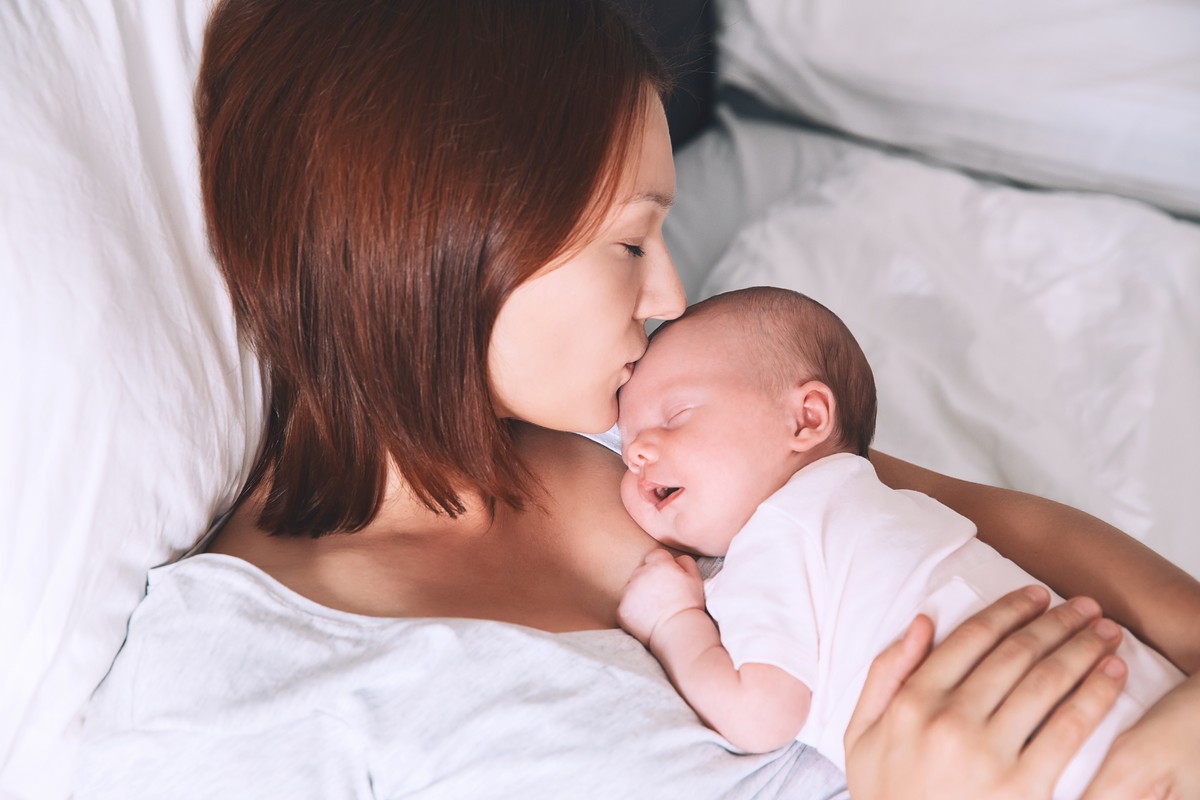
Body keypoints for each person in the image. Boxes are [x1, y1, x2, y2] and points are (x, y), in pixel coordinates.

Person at [74, 1, 1200, 798]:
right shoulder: (239, 697)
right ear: (447, 244)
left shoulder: (638, 434)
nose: (667, 295)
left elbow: (994, 525)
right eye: (629, 241)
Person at [614, 287, 1185, 798]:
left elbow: (761, 713)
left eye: (677, 415)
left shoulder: (774, 537)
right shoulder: (890, 500)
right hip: (1151, 705)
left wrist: (672, 621)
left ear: (807, 418)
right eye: (628, 445)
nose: (638, 451)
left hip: (1061, 761)